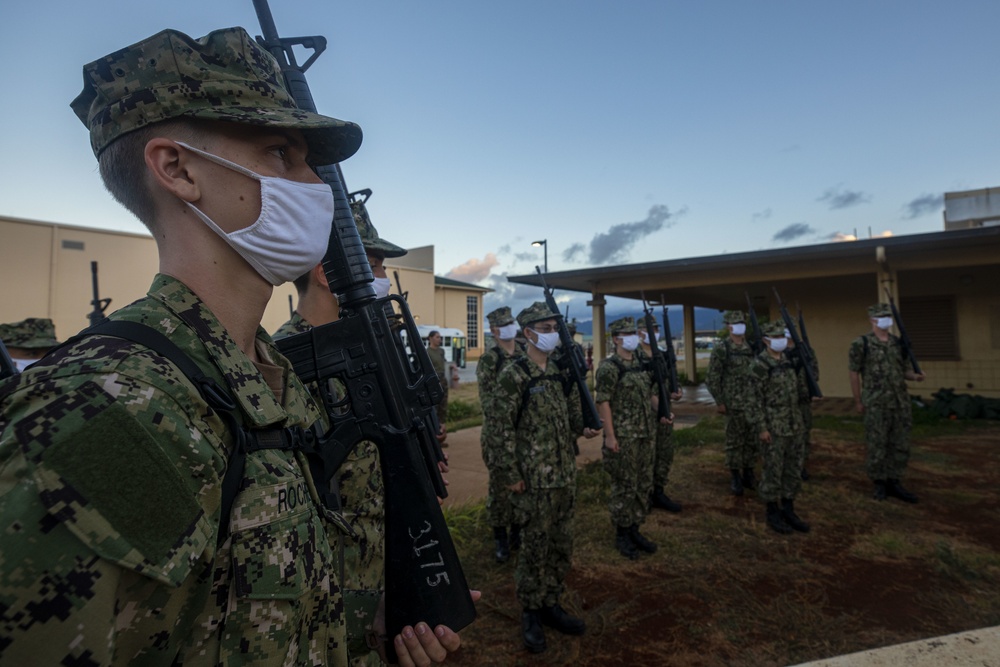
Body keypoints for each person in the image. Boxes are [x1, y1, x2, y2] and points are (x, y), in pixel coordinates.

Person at [0, 27, 462, 666]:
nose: (316, 187)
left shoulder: (271, 381)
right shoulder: (108, 411)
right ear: (178, 169)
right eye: (280, 152)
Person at [274, 203, 411, 666]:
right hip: (325, 592)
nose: (383, 280)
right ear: (326, 273)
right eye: (374, 268)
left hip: (382, 566)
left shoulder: (375, 351)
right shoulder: (278, 366)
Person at [494, 301, 600, 653]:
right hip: (533, 480)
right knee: (534, 548)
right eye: (548, 328)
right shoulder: (515, 374)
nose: (554, 333)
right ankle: (531, 611)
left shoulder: (558, 371)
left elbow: (572, 417)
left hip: (564, 475)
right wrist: (511, 474)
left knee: (561, 544)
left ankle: (551, 602)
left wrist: (584, 426)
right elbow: (500, 428)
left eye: (555, 327)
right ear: (528, 333)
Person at [596, 317, 667, 560]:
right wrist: (610, 436)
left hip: (646, 433)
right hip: (624, 436)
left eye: (634, 333)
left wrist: (663, 411)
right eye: (627, 334)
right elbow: (602, 401)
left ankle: (635, 528)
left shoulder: (641, 363)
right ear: (616, 339)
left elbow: (650, 395)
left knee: (642, 483)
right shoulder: (609, 367)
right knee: (625, 485)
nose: (633, 338)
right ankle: (622, 532)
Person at [849, 303, 926, 502]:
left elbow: (904, 371)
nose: (886, 320)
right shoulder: (861, 343)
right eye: (882, 317)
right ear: (872, 320)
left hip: (899, 402)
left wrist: (915, 377)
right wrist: (858, 400)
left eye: (888, 316)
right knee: (877, 443)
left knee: (900, 443)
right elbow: (854, 372)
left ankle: (895, 481)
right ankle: (879, 483)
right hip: (876, 402)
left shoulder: (899, 343)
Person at [749, 322, 811, 534]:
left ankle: (788, 508)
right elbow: (754, 401)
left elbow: (799, 392)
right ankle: (772, 511)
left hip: (794, 424)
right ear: (766, 340)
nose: (780, 340)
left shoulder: (789, 361)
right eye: (775, 337)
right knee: (773, 470)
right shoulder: (759, 365)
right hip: (773, 427)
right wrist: (761, 428)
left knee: (792, 469)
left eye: (781, 337)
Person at [476, 306, 525, 563]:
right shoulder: (489, 360)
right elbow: (489, 404)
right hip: (498, 434)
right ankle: (500, 538)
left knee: (521, 486)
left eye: (511, 323)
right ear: (494, 330)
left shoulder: (524, 354)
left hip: (523, 433)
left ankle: (517, 532)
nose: (510, 328)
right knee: (500, 488)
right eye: (504, 325)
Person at [707, 310, 760, 496]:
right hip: (733, 403)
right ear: (729, 326)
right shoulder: (723, 348)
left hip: (752, 403)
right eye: (737, 323)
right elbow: (712, 377)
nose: (741, 326)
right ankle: (735, 476)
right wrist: (720, 401)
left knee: (752, 440)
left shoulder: (752, 347)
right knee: (734, 442)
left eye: (742, 322)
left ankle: (749, 473)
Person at [636, 318, 683, 513]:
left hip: (665, 411)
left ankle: (659, 492)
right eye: (649, 329)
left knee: (664, 453)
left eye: (656, 329)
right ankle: (643, 495)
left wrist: (676, 390)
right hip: (644, 414)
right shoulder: (635, 357)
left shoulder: (663, 355)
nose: (654, 332)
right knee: (645, 457)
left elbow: (672, 378)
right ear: (639, 332)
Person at [426, 330, 457, 442]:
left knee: (443, 406)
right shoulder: (427, 352)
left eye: (440, 337)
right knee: (434, 408)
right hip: (434, 382)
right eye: (437, 337)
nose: (440, 339)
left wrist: (452, 367)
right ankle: (434, 437)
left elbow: (443, 363)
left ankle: (442, 434)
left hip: (443, 381)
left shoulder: (441, 351)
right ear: (430, 338)